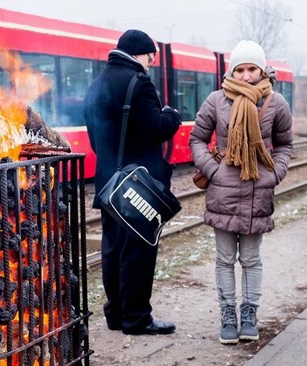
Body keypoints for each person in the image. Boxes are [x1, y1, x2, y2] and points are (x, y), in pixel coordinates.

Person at [189, 40, 293, 345]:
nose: (246, 75)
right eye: (240, 69)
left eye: (252, 69)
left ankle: (249, 314)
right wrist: (213, 170)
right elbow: (197, 139)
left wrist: (274, 173)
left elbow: (285, 145)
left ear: (261, 70)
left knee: (250, 258)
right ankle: (228, 315)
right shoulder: (215, 100)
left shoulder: (276, 104)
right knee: (224, 259)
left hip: (257, 193)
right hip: (222, 192)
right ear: (231, 70)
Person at [84, 29, 181, 335]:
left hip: (108, 183)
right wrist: (172, 115)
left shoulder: (97, 84)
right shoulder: (139, 84)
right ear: (139, 53)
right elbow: (156, 128)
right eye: (150, 56)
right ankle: (136, 318)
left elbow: (95, 137)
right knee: (139, 251)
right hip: (136, 186)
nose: (152, 62)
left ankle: (116, 314)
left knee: (112, 249)